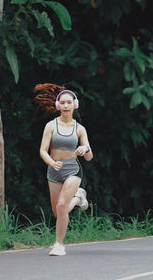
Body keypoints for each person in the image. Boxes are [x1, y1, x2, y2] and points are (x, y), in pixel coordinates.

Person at [36, 84, 93, 256]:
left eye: (69, 102)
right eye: (63, 102)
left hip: (72, 170)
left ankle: (59, 245)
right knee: (58, 211)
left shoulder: (80, 129)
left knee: (61, 206)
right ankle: (78, 197)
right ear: (58, 105)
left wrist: (86, 149)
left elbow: (89, 157)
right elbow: (42, 151)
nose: (66, 106)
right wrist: (51, 163)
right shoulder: (51, 126)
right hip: (53, 170)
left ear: (74, 105)